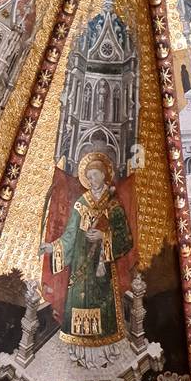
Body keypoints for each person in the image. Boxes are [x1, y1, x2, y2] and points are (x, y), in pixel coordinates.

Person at [41, 150, 134, 363]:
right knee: (80, 300)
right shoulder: (81, 202)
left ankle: (105, 348)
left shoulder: (112, 204)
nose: (92, 180)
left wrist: (104, 235)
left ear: (104, 176)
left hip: (102, 265)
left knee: (103, 301)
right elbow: (71, 234)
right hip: (82, 262)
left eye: (95, 175)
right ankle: (80, 349)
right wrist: (52, 248)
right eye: (89, 177)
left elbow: (125, 236)